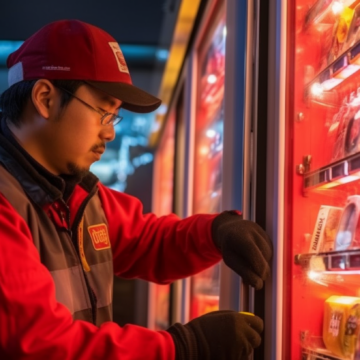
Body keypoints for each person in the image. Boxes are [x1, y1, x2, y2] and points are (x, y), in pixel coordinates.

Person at [0, 19, 272, 360]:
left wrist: (216, 232)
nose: (109, 133)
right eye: (103, 111)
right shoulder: (6, 202)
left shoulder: (78, 196)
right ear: (44, 98)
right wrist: (184, 347)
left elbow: (149, 242)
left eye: (114, 117)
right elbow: (41, 343)